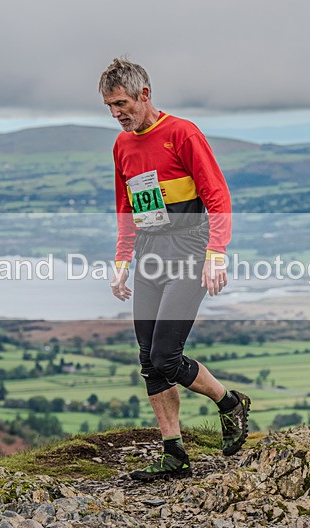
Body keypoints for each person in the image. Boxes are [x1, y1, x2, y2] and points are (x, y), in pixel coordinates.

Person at [98, 58, 250, 481]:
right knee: (149, 361)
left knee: (167, 355)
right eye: (109, 106)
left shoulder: (182, 133)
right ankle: (174, 454)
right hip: (149, 253)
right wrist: (122, 261)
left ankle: (229, 403)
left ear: (144, 94)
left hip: (188, 251)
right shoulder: (121, 146)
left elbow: (217, 195)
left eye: (122, 103)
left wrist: (217, 252)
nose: (116, 113)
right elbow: (125, 208)